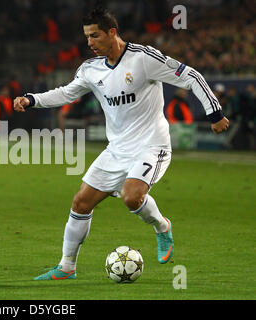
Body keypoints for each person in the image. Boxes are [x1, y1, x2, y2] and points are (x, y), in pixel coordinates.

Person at [14, 8, 229, 280]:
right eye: (87, 37)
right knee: (81, 203)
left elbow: (191, 76)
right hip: (117, 150)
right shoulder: (91, 69)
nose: (89, 42)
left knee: (131, 196)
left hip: (152, 145)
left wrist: (215, 113)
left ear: (112, 33)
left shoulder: (143, 59)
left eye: (95, 36)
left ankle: (162, 227)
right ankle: (67, 267)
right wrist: (32, 99)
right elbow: (67, 93)